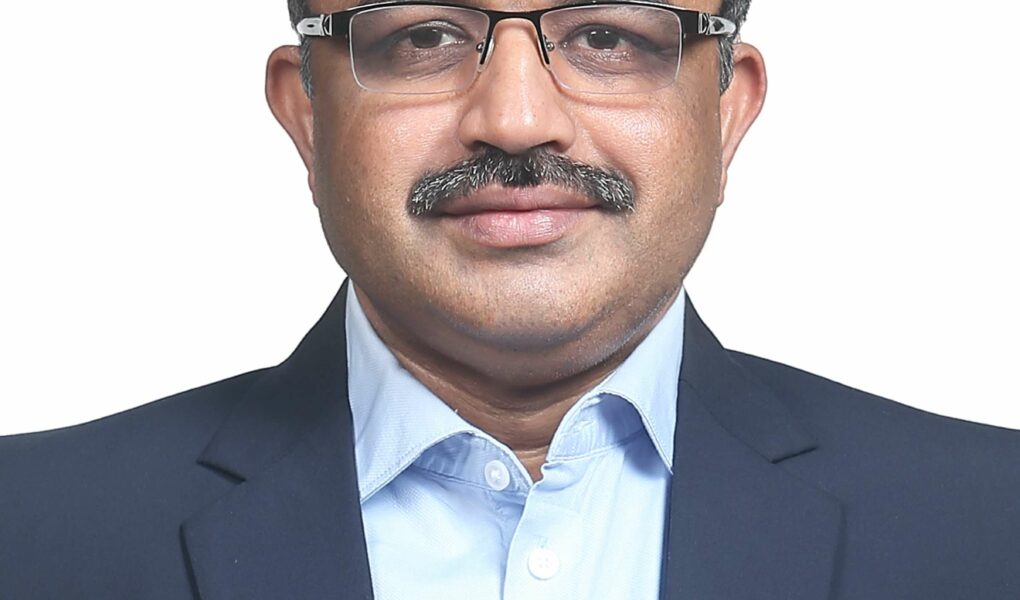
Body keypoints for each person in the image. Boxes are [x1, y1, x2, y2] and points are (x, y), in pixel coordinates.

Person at [1, 0, 1018, 598]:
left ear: (727, 112)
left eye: (608, 36)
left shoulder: (992, 527)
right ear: (306, 113)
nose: (518, 120)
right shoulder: (28, 534)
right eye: (424, 38)